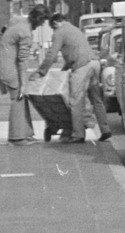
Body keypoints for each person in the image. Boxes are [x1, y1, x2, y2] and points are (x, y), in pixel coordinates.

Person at [37, 12, 104, 144]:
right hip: (94, 64)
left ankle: (78, 135)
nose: (53, 30)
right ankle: (105, 130)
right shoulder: (75, 29)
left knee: (75, 101)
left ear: (55, 23)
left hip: (81, 67)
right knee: (96, 99)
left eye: (52, 27)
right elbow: (74, 52)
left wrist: (41, 72)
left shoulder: (59, 32)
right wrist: (64, 70)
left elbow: (52, 55)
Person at [0, 6, 46, 144]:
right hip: (10, 68)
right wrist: (24, 84)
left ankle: (26, 133)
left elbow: (1, 33)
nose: (42, 25)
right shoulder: (25, 33)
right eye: (42, 21)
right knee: (18, 98)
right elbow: (22, 60)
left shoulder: (17, 21)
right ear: (38, 19)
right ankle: (16, 137)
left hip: (3, 63)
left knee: (21, 99)